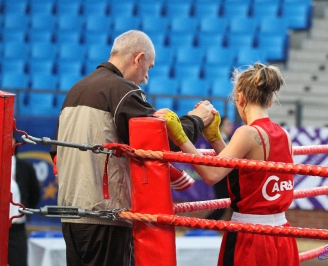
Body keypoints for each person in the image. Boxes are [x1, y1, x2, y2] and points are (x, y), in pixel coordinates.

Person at [49, 30, 215, 266]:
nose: (146, 76)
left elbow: (56, 152)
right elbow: (159, 142)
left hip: (70, 213)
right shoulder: (123, 90)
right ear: (138, 59)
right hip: (105, 215)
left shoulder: (75, 91)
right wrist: (197, 119)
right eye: (149, 67)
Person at [155, 63, 300, 265]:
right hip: (282, 233)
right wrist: (215, 138)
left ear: (240, 98)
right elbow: (243, 170)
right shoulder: (285, 135)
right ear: (270, 101)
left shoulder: (247, 133)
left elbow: (213, 175)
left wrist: (180, 136)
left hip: (250, 234)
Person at [9, 136, 41, 266]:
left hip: (17, 229)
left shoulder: (26, 167)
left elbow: (35, 194)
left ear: (15, 142)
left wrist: (24, 211)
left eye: (11, 138)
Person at [205, 116, 234, 221]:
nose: (230, 127)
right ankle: (201, 227)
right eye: (227, 124)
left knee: (231, 206)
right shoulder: (215, 141)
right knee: (221, 206)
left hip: (229, 177)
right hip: (221, 177)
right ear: (219, 127)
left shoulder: (232, 140)